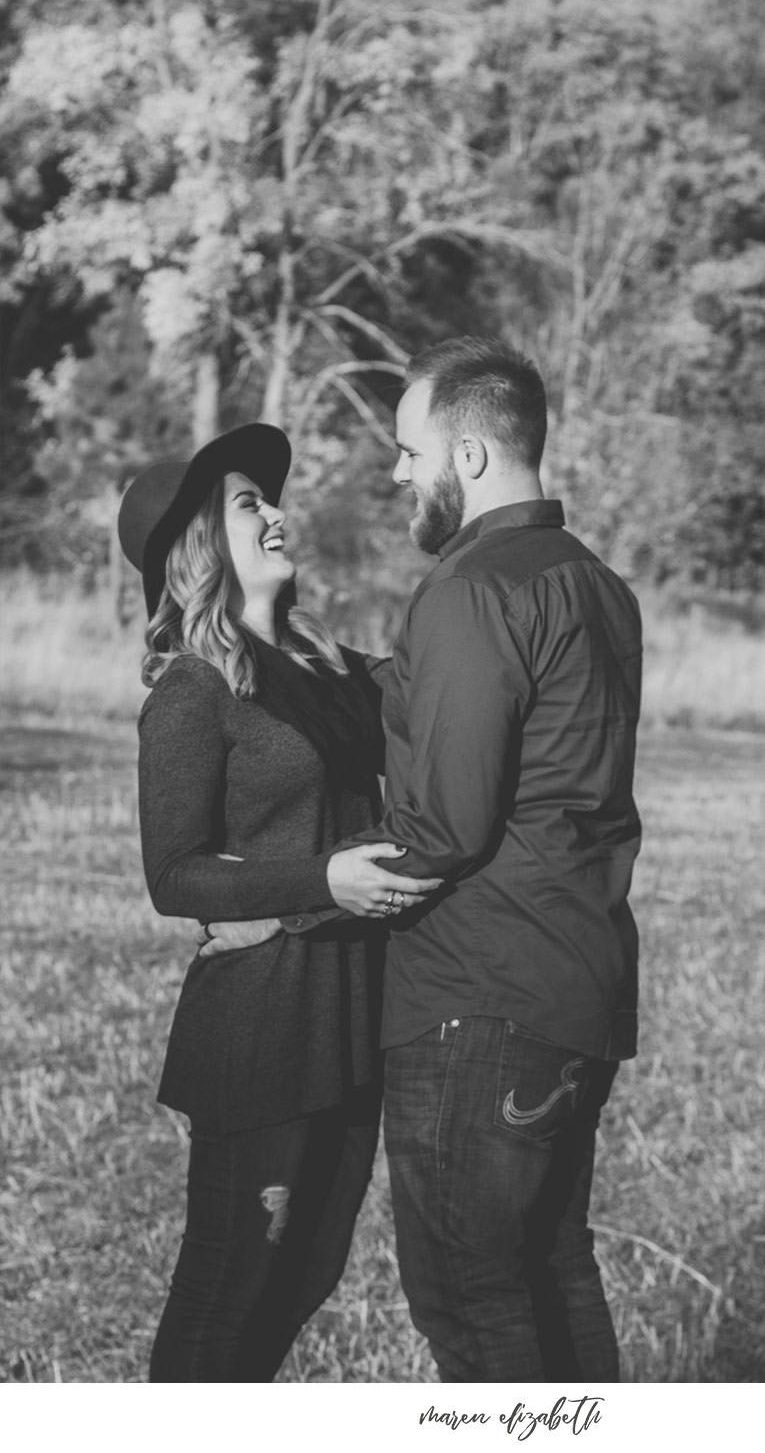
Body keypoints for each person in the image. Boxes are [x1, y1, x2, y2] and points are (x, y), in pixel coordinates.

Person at [266, 337, 643, 1383]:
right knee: (554, 1270)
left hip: (479, 998)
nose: (396, 474)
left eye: (405, 449)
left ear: (468, 456)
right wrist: (358, 676)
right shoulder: (595, 585)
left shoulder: (470, 589)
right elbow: (514, 731)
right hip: (579, 981)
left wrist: (301, 894)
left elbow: (446, 827)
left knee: (470, 1297)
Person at [117, 423, 439, 1382]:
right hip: (262, 1023)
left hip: (350, 1009)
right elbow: (172, 874)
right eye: (247, 503)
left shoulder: (332, 670)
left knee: (301, 1277)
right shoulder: (192, 691)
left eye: (269, 498)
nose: (276, 514)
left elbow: (441, 697)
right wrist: (320, 880)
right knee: (229, 1288)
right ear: (198, 546)